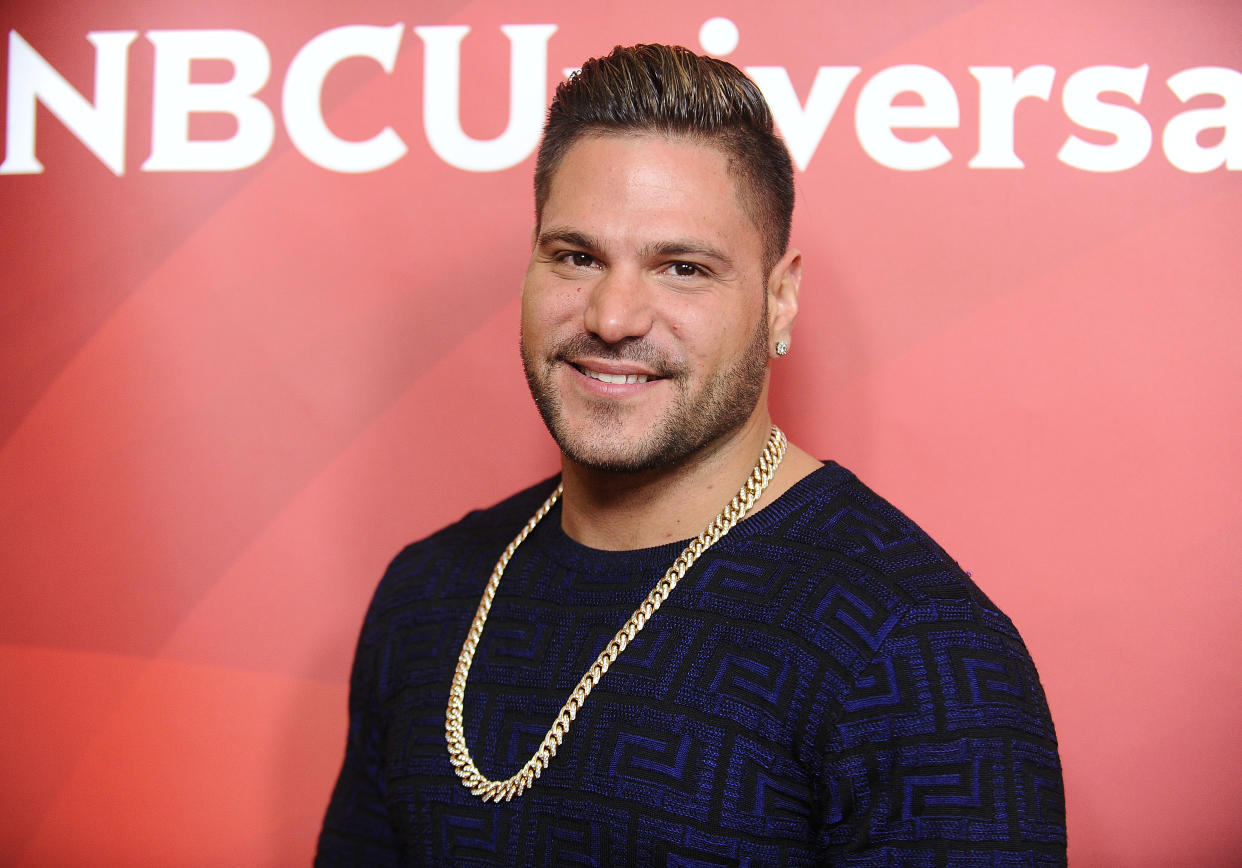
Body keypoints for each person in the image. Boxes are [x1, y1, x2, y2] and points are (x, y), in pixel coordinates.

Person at [316, 43, 1066, 866]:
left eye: (682, 267)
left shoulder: (915, 648)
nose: (612, 316)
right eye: (576, 257)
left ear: (779, 299)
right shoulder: (427, 595)